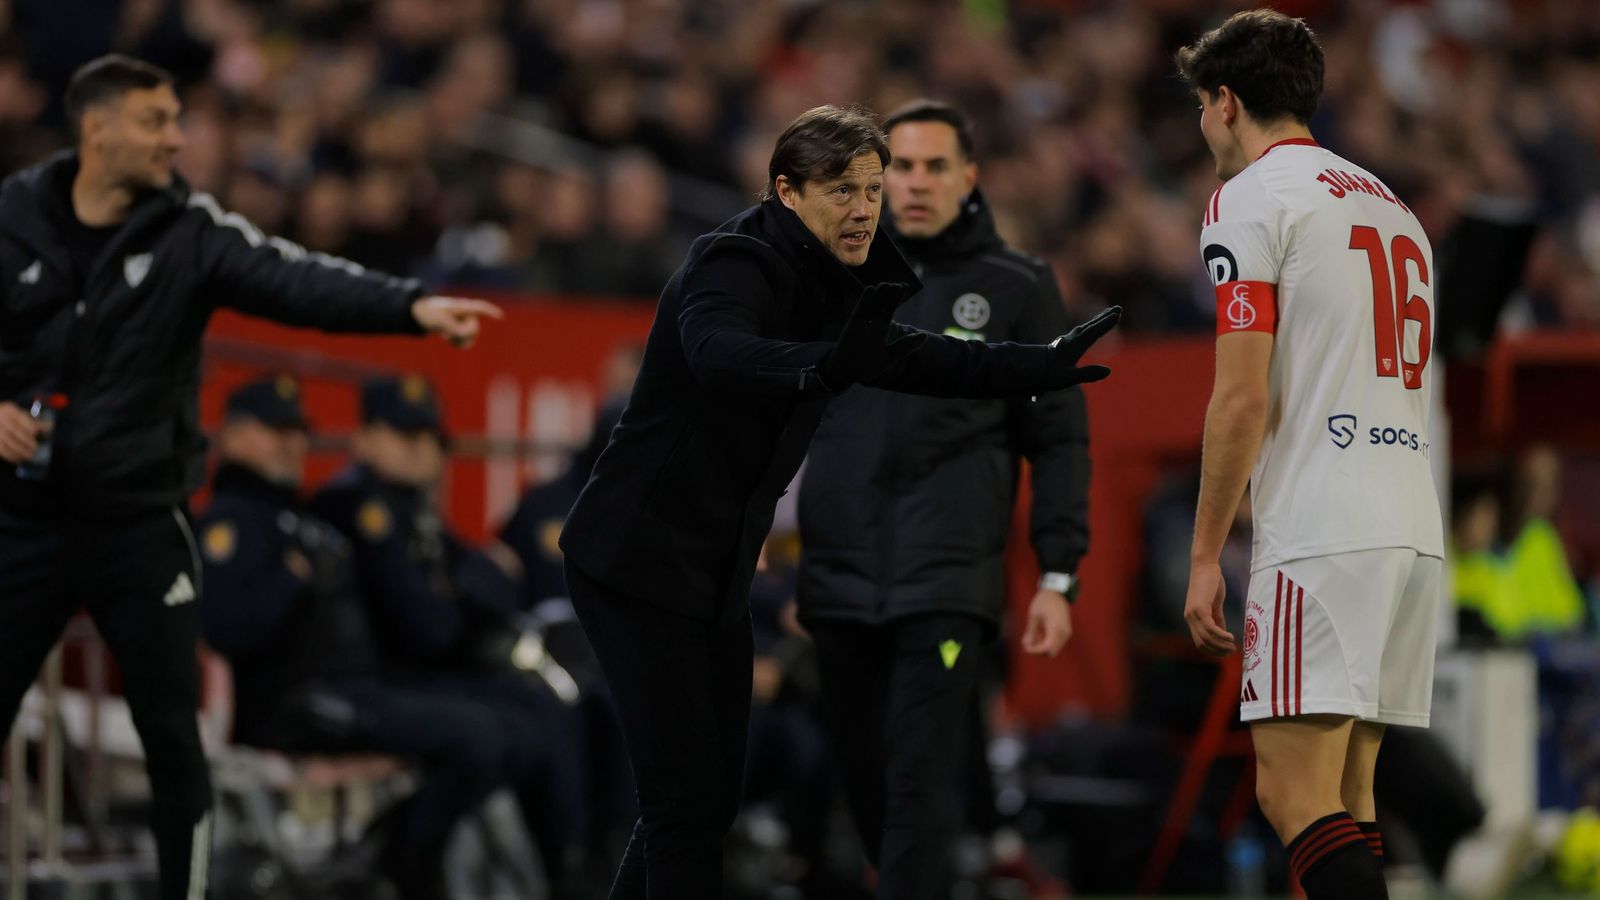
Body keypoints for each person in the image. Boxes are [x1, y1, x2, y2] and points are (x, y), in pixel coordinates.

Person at [558, 104, 1121, 899]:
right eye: (840, 191)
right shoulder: (733, 259)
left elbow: (919, 358)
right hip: (634, 562)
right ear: (786, 192)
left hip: (709, 568)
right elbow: (717, 351)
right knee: (686, 802)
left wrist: (1035, 364)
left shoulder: (837, 277)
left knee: (704, 800)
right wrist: (825, 367)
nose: (863, 209)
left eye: (869, 189)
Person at [0, 55, 500, 899]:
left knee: (174, 739)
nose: (178, 138)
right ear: (98, 129)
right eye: (157, 121)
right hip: (22, 524)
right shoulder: (11, 217)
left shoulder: (189, 231)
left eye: (178, 119)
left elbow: (295, 278)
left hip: (138, 525)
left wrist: (407, 307)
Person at [1176, 12, 1445, 899]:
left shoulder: (1250, 197)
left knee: (1291, 794)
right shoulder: (1391, 204)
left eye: (1201, 108)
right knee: (1348, 796)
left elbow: (1243, 393)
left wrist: (1207, 551)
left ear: (1225, 101)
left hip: (1324, 528)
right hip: (1409, 524)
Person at [795, 99, 1087, 897]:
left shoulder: (1018, 288)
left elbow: (1058, 439)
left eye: (933, 168)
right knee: (866, 782)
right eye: (900, 170)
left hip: (948, 585)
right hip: (838, 577)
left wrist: (1060, 573)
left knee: (920, 783)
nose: (915, 185)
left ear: (970, 178)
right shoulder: (829, 275)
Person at [197, 377, 525, 899]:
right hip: (295, 705)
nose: (292, 443)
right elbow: (226, 628)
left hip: (350, 691)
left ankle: (381, 858)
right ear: (232, 437)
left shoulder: (297, 518)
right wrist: (290, 577)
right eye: (275, 430)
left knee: (501, 727)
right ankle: (400, 864)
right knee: (477, 738)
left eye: (299, 431)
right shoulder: (230, 524)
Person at [311, 375, 591, 896]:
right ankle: (404, 853)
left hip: (417, 675)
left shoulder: (413, 513)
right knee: (489, 737)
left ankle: (569, 867)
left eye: (430, 439)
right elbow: (428, 626)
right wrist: (461, 593)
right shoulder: (356, 508)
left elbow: (502, 584)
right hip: (373, 681)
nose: (423, 452)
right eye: (406, 436)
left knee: (545, 710)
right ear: (366, 437)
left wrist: (457, 591)